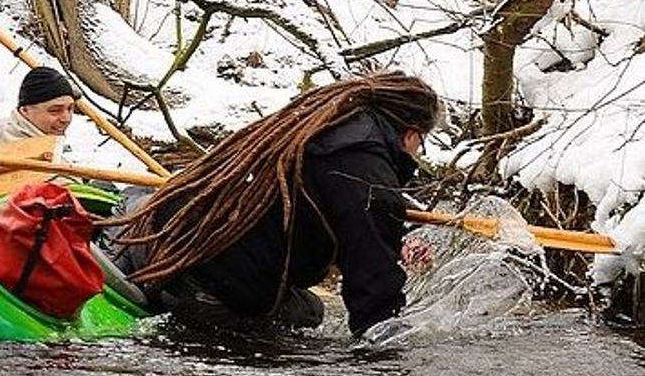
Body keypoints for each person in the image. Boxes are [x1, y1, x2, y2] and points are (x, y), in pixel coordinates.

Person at [103, 71, 443, 337]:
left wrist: (395, 242)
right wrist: (389, 358)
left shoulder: (317, 123)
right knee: (310, 315)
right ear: (411, 134)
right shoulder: (365, 167)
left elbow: (324, 215)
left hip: (163, 236)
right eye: (421, 144)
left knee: (308, 307)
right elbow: (374, 285)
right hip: (206, 286)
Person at [0, 65, 79, 153]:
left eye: (70, 109)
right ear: (25, 110)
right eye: (55, 110)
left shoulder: (1, 126)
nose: (66, 118)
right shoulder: (30, 152)